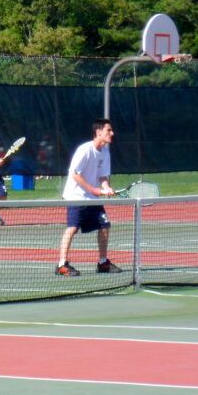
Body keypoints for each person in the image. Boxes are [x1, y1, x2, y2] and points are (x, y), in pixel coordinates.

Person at [56, 118, 123, 276]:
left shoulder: (105, 151)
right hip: (75, 196)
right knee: (72, 228)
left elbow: (102, 176)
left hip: (92, 198)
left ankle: (103, 263)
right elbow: (74, 174)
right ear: (98, 132)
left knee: (104, 225)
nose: (112, 133)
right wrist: (93, 189)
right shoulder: (85, 150)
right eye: (108, 130)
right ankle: (62, 265)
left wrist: (106, 188)